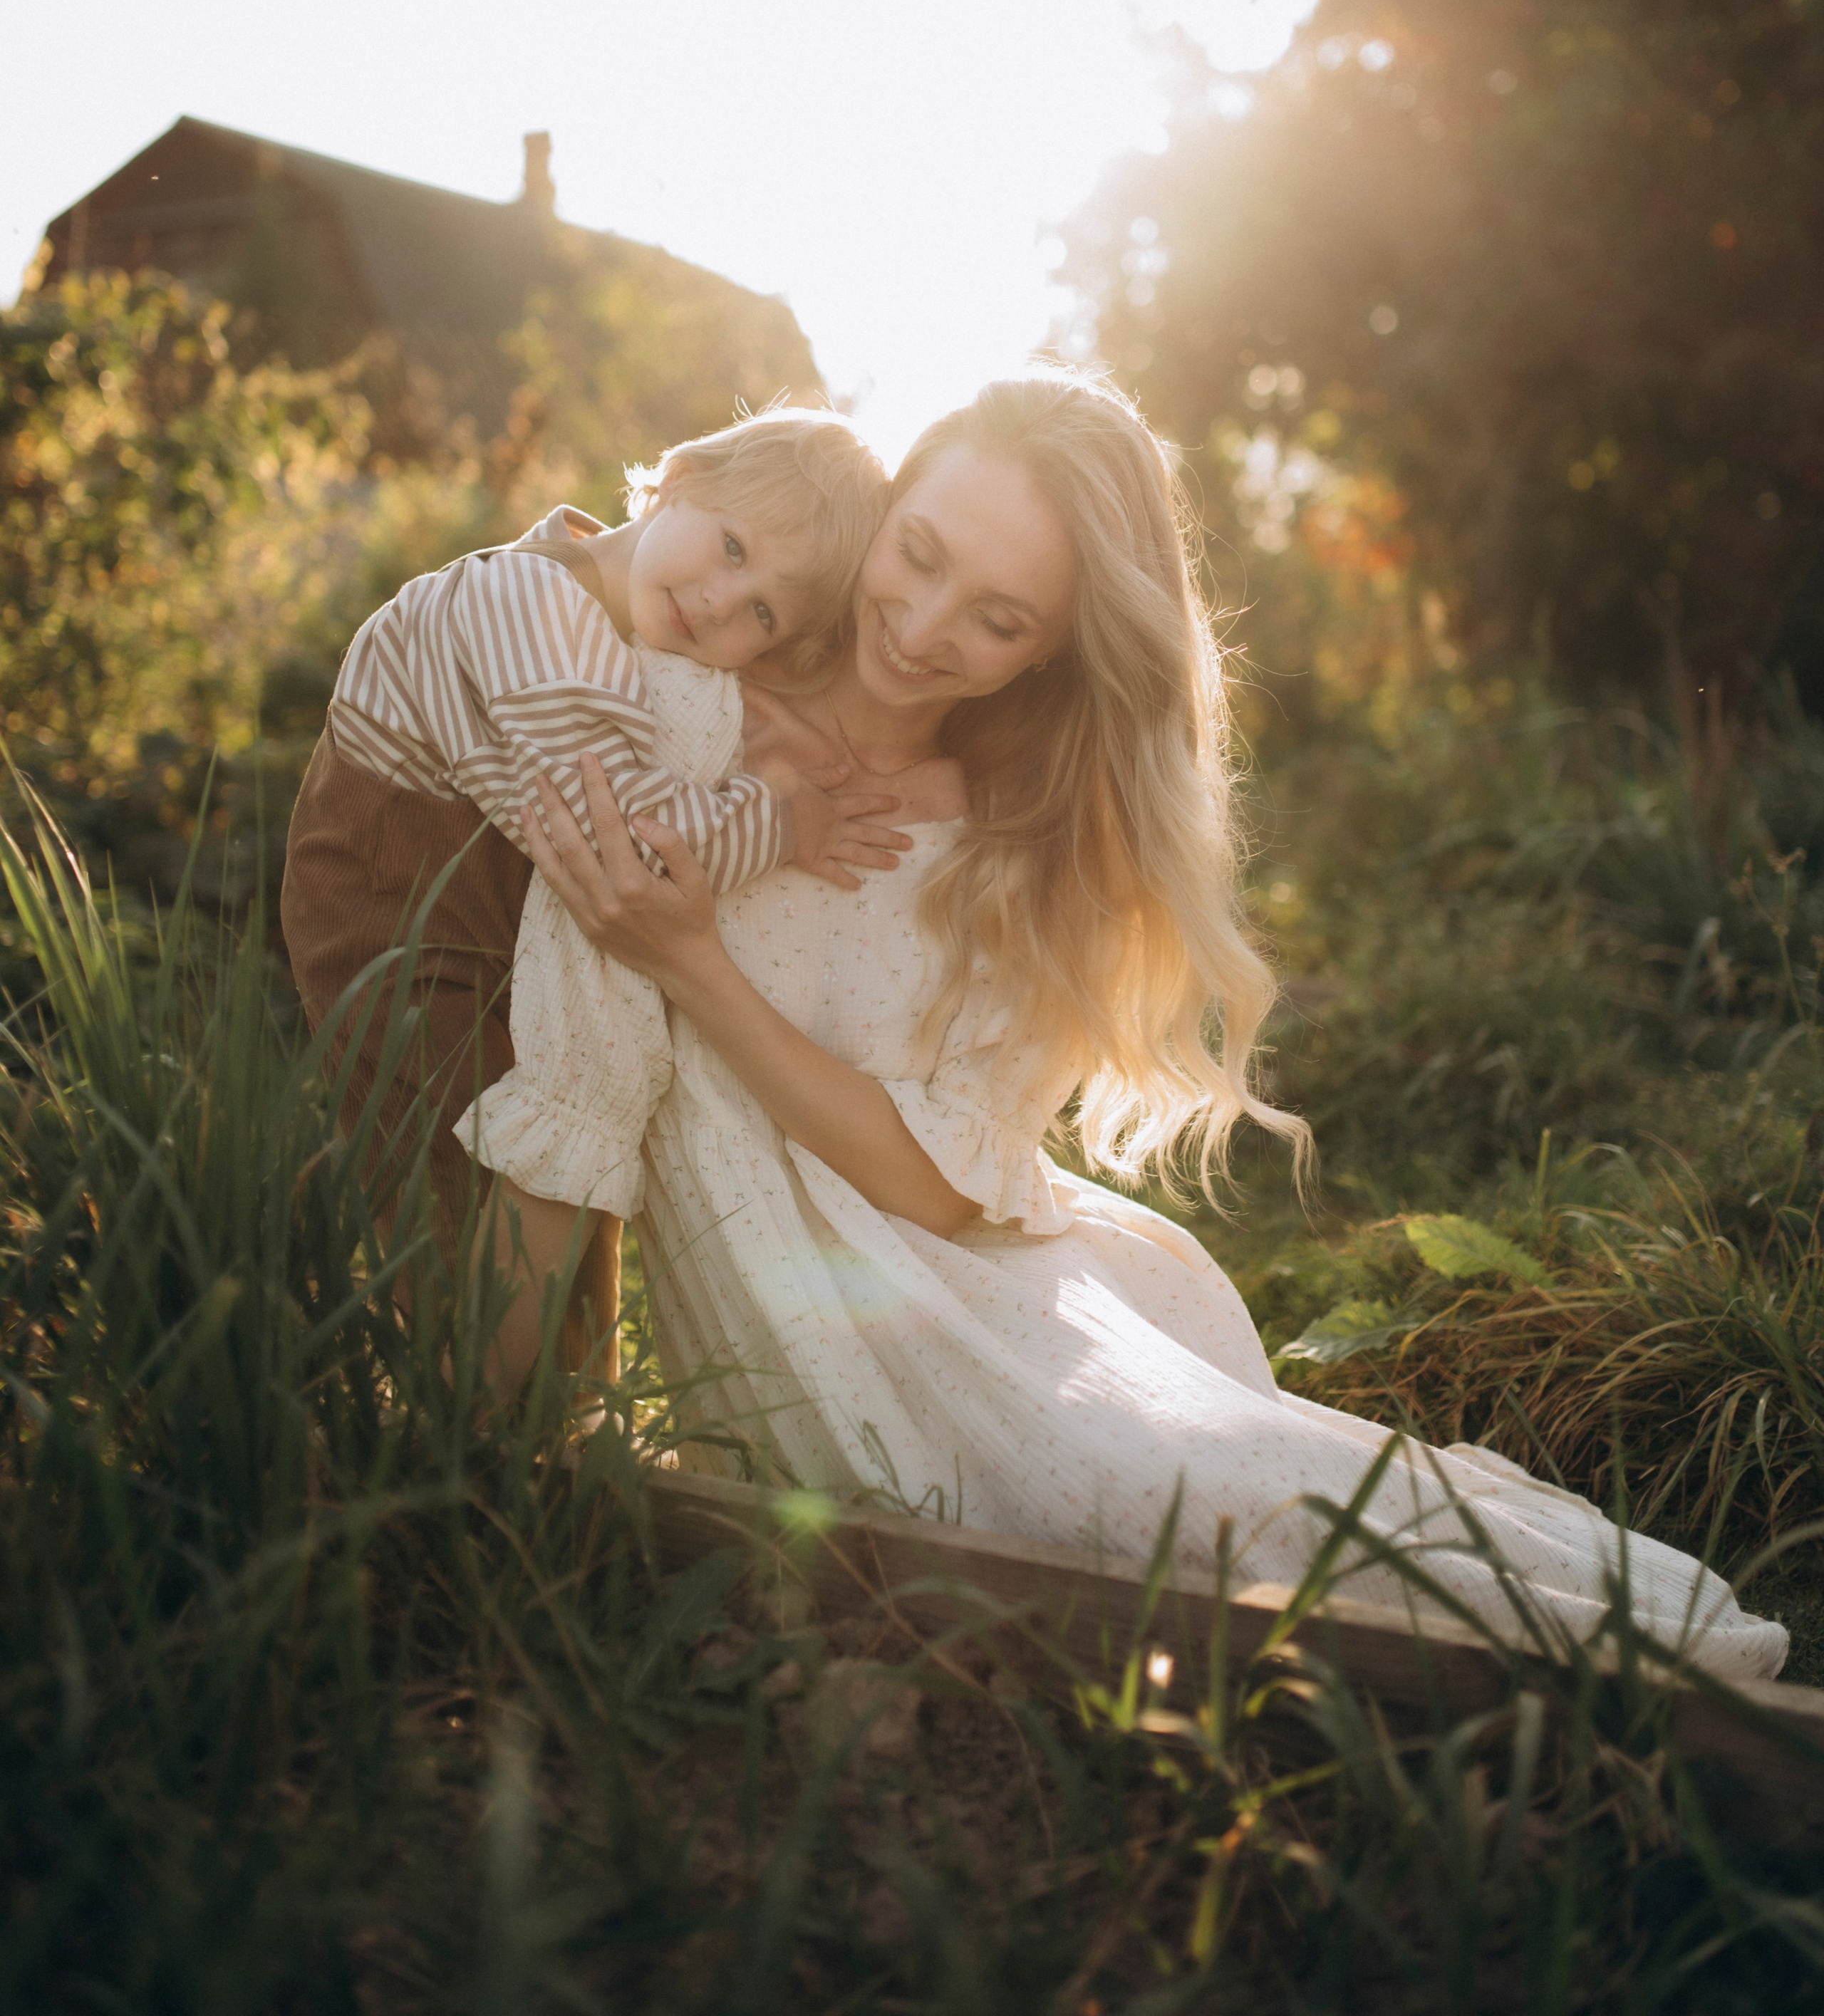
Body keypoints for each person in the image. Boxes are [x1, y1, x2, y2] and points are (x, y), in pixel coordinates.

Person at [521, 370, 1788, 1679]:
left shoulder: (1030, 839)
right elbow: (493, 635)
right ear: (886, 504)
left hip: (947, 1283)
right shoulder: (691, 667)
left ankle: (1664, 1686)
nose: (923, 624)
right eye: (921, 551)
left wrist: (693, 969)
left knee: (1215, 1510)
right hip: (781, 1290)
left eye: (999, 618)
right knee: (1180, 1527)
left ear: (1050, 652)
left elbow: (944, 1188)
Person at [281, 405, 903, 1385]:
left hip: (487, 923)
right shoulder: (523, 604)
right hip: (403, 931)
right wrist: (783, 820)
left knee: (558, 1188)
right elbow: (628, 848)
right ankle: (457, 1442)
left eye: (766, 617)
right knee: (457, 1202)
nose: (721, 602)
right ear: (680, 476)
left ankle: (572, 1437)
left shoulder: (604, 627)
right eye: (732, 547)